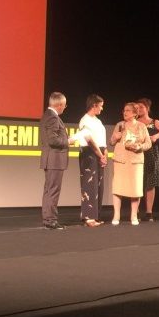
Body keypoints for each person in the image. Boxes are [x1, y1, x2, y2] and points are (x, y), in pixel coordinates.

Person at [110, 102, 152, 225]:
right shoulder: (119, 125)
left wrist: (139, 147)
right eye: (124, 110)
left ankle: (134, 216)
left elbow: (148, 143)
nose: (125, 112)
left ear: (135, 113)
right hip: (120, 160)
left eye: (128, 110)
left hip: (135, 161)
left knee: (135, 189)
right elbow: (111, 142)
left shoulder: (141, 126)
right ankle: (116, 215)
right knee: (117, 188)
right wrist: (115, 137)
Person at [75, 94, 108, 227]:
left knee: (99, 185)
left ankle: (96, 215)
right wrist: (100, 155)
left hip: (100, 152)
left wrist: (105, 153)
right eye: (100, 106)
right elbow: (89, 140)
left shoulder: (98, 121)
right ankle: (88, 217)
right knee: (89, 184)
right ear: (94, 105)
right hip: (89, 153)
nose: (102, 108)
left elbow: (102, 139)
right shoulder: (85, 120)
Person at [39, 92, 70, 230]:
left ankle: (48, 219)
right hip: (55, 159)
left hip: (50, 159)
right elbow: (53, 140)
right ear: (59, 105)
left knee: (49, 190)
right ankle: (51, 220)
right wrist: (68, 141)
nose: (65, 108)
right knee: (53, 191)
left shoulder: (47, 115)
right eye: (64, 105)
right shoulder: (53, 117)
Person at [136, 98, 159, 221]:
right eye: (137, 107)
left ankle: (149, 212)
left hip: (152, 153)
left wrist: (155, 136)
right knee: (137, 182)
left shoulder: (154, 121)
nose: (139, 109)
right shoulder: (135, 122)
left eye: (141, 107)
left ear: (147, 108)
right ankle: (135, 211)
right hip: (138, 153)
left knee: (151, 182)